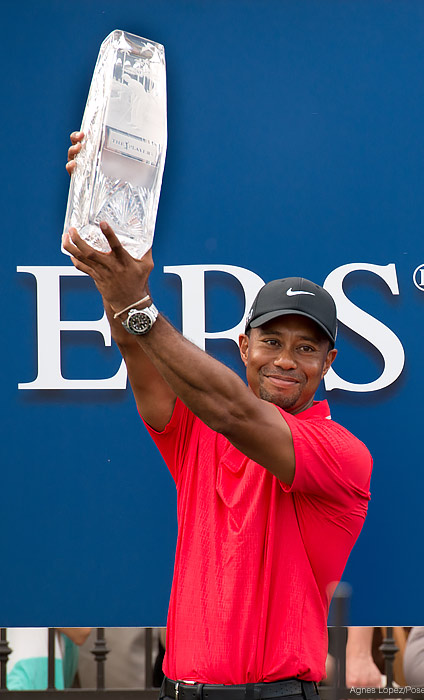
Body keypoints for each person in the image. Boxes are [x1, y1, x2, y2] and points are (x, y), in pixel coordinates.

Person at [64, 132, 372, 700]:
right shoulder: (192, 427)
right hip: (179, 689)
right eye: (271, 341)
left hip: (277, 693)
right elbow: (139, 351)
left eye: (306, 349)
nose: (285, 360)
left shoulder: (341, 454)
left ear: (328, 362)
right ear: (242, 347)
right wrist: (111, 254)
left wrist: (137, 303)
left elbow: (235, 412)